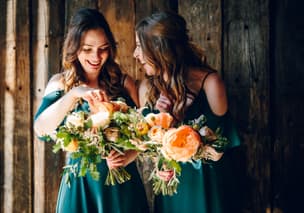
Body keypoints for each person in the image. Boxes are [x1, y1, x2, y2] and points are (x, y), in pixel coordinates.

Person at [34, 8, 149, 213]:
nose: (96, 57)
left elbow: (147, 132)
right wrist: (74, 94)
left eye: (103, 48)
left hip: (122, 185)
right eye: (87, 49)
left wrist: (129, 155)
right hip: (81, 186)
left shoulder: (123, 83)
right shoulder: (61, 84)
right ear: (74, 47)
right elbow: (41, 130)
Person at [134, 11, 242, 213]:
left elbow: (220, 150)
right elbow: (148, 150)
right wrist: (160, 166)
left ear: (159, 49)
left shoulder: (210, 83)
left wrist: (179, 125)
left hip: (206, 189)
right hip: (171, 190)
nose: (135, 54)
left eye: (140, 47)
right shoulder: (146, 88)